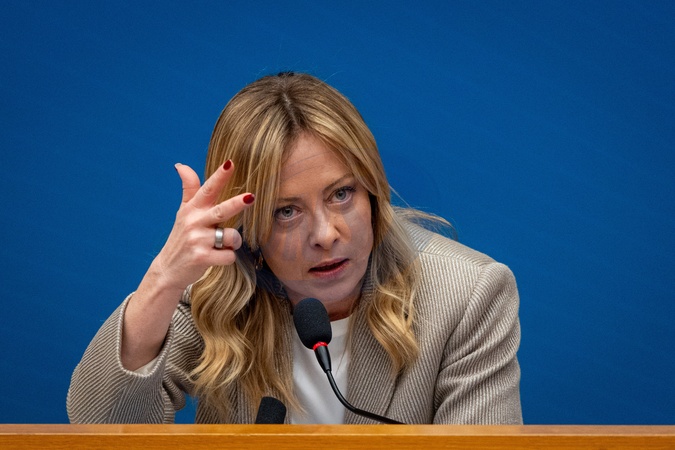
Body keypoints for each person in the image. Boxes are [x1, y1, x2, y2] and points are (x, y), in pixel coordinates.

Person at [67, 72, 522, 424]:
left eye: (341, 194)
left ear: (372, 192)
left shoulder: (467, 295)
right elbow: (99, 427)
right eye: (286, 211)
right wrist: (163, 279)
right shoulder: (214, 284)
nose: (325, 234)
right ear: (249, 228)